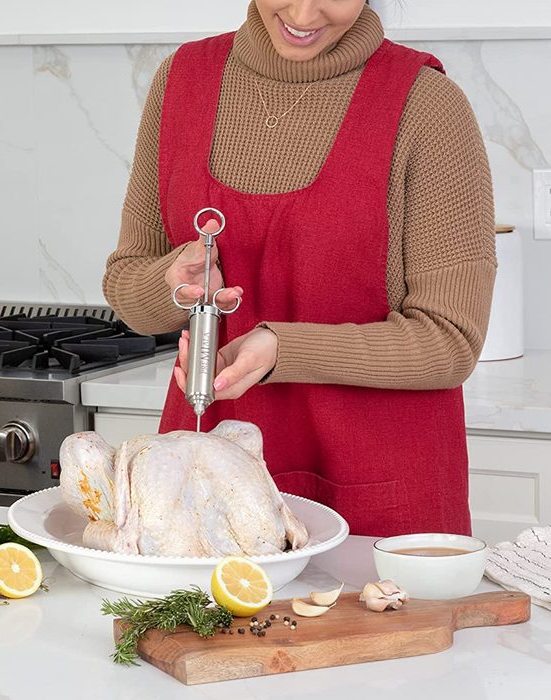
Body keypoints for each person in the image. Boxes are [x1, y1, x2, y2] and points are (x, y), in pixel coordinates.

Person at [102, 0, 496, 537]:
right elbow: (128, 284)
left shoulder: (427, 106)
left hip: (381, 489)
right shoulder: (181, 83)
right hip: (206, 479)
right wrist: (172, 282)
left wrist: (281, 348)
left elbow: (450, 342)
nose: (304, 12)